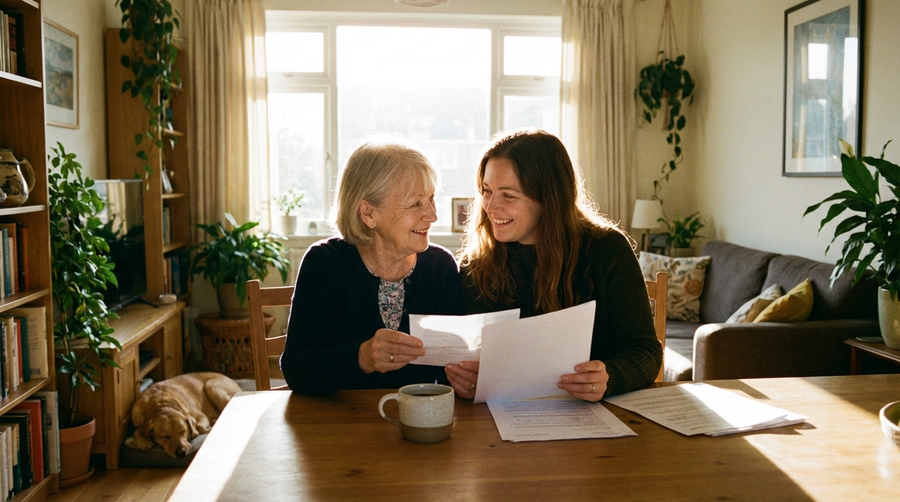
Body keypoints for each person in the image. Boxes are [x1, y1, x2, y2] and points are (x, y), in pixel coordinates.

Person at [445, 128, 662, 402]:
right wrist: (469, 380)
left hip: (590, 417)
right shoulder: (477, 263)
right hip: (500, 420)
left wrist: (609, 377)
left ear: (549, 199)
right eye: (487, 191)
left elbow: (645, 351)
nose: (491, 207)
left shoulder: (607, 250)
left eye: (509, 196)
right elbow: (473, 361)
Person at [281, 137, 465, 394]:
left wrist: (464, 379)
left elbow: (447, 372)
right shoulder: (324, 264)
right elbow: (296, 368)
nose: (433, 216)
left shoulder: (440, 267)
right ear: (368, 213)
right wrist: (362, 357)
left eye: (431, 198)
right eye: (415, 203)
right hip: (339, 423)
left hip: (416, 423)